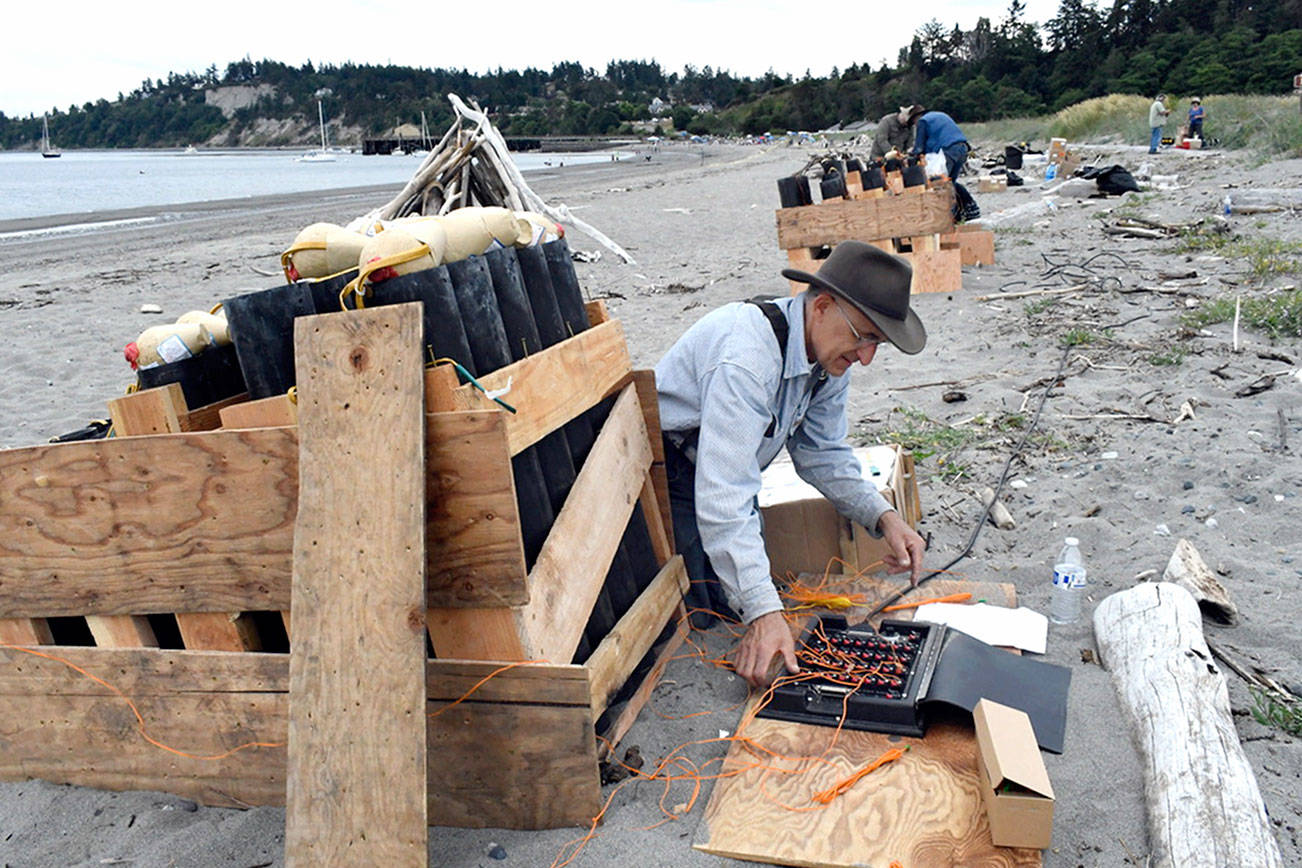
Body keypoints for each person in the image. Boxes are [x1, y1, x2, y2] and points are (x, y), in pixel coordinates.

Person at [655, 242, 928, 688]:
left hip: (723, 473)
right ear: (821, 307)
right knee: (700, 614)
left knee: (742, 597)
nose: (865, 357)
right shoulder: (747, 358)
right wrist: (763, 612)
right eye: (863, 337)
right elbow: (723, 495)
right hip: (665, 472)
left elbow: (822, 453)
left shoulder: (829, 356)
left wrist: (884, 516)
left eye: (876, 343)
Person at [910, 109, 969, 180]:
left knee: (939, 181)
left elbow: (919, 147)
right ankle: (965, 192)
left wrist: (912, 154)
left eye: (914, 122)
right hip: (962, 147)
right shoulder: (940, 115)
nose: (915, 125)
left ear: (916, 117)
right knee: (950, 181)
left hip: (948, 149)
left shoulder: (923, 121)